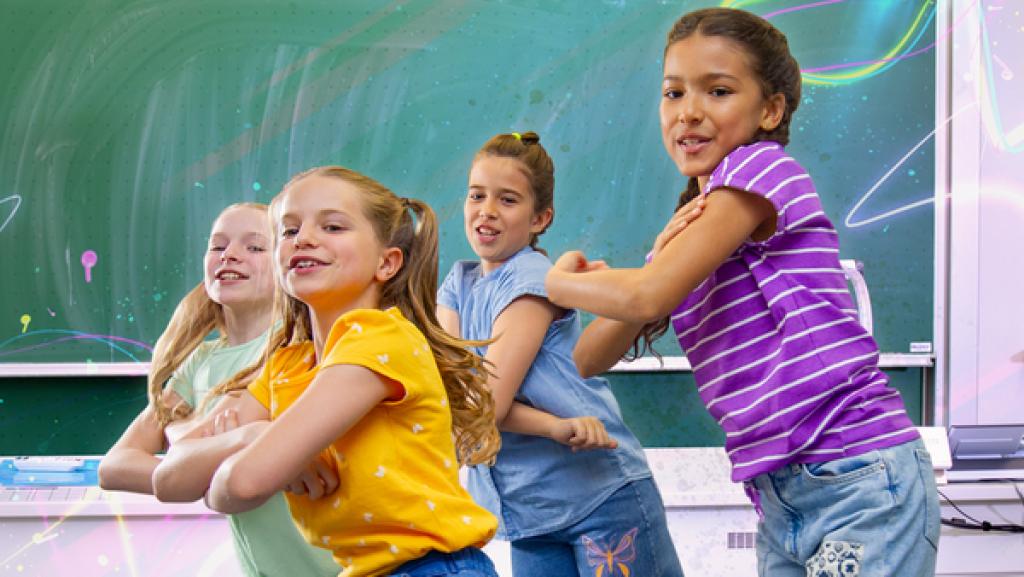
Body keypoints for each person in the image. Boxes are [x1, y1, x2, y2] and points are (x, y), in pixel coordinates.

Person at [544, 8, 940, 577]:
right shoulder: (692, 229)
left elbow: (647, 297)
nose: (689, 111)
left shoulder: (762, 170)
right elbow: (587, 357)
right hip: (783, 497)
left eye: (719, 91)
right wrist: (642, 266)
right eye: (674, 93)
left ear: (770, 110)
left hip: (857, 475)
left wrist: (553, 281)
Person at [193, 166, 502, 577]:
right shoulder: (289, 364)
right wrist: (252, 436)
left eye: (333, 227)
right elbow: (171, 477)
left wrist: (235, 460)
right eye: (288, 230)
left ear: (387, 263)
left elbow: (241, 484)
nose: (303, 238)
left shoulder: (381, 338)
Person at [438, 131, 685, 577]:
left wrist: (540, 424)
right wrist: (552, 425)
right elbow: (454, 399)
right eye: (476, 195)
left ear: (540, 218)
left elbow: (483, 407)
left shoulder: (533, 280)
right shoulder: (459, 283)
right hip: (530, 512)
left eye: (507, 199)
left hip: (600, 499)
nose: (486, 210)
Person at [98, 203, 339, 577]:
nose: (230, 255)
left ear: (288, 265)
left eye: (254, 247)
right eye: (218, 246)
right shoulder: (202, 360)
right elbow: (114, 466)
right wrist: (216, 457)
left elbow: (193, 446)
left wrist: (190, 452)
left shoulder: (296, 347)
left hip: (334, 564)